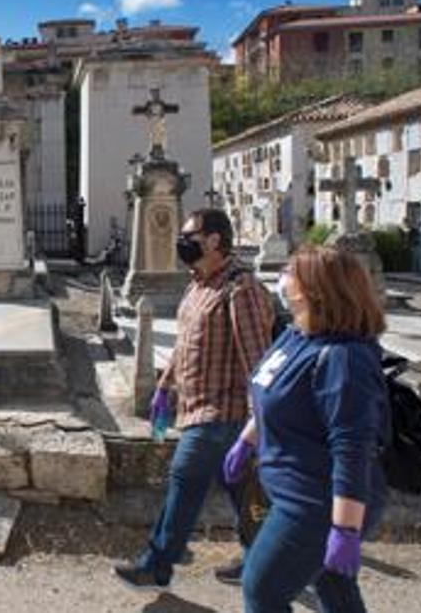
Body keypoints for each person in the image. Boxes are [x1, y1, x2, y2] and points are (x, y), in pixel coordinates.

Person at [222, 246, 390, 613]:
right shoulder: (298, 335)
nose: (282, 278)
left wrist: (344, 530)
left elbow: (351, 448)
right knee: (335, 591)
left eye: (291, 272)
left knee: (262, 589)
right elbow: (274, 394)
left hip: (317, 504)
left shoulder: (344, 358)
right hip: (290, 489)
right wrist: (246, 442)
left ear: (317, 288)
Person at [114, 208, 274, 588]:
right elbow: (186, 345)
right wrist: (164, 388)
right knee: (241, 490)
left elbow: (258, 359)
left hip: (225, 411)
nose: (182, 242)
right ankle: (264, 558)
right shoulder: (197, 284)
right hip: (196, 407)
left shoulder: (240, 288)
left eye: (191, 236)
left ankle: (157, 564)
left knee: (184, 478)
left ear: (215, 240)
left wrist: (260, 422)